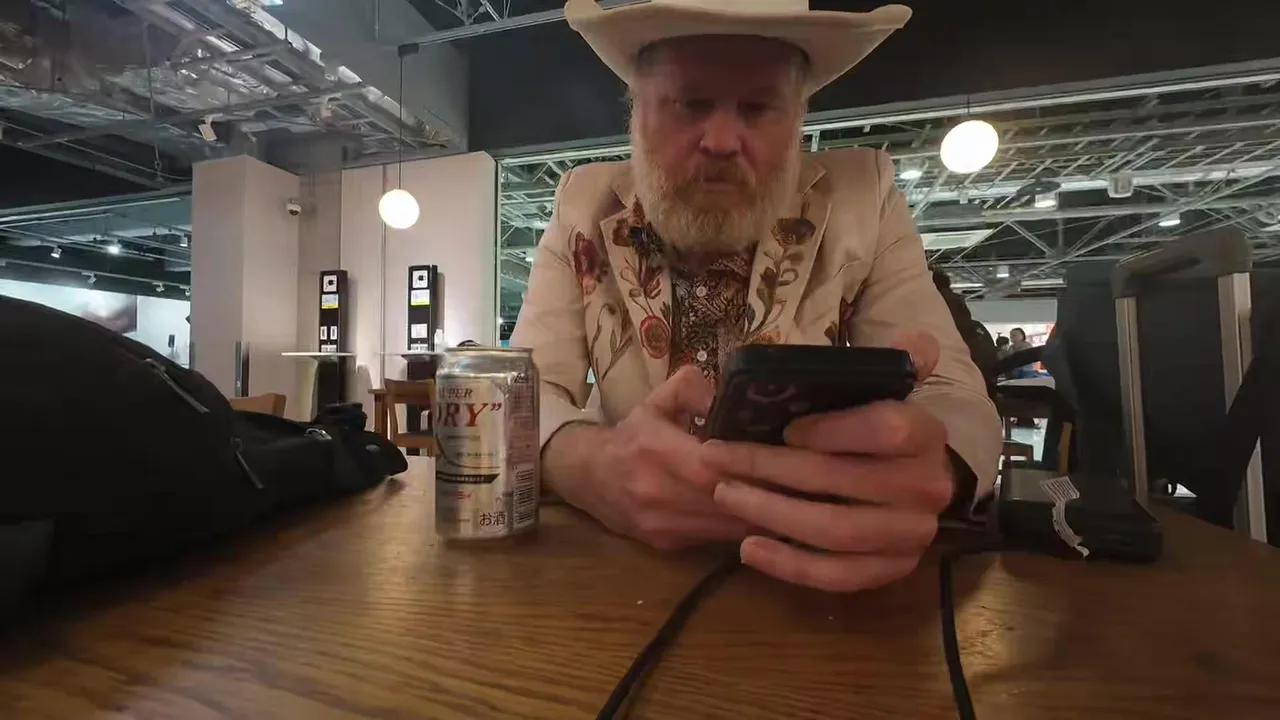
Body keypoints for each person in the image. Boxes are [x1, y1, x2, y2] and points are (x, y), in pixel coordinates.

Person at [512, 0, 1001, 593]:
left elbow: (957, 397)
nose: (721, 140)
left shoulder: (865, 196)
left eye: (759, 107)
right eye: (691, 103)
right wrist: (588, 465)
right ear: (636, 112)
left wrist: (935, 468)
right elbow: (522, 390)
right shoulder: (580, 201)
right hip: (626, 576)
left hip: (812, 576)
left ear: (798, 119)